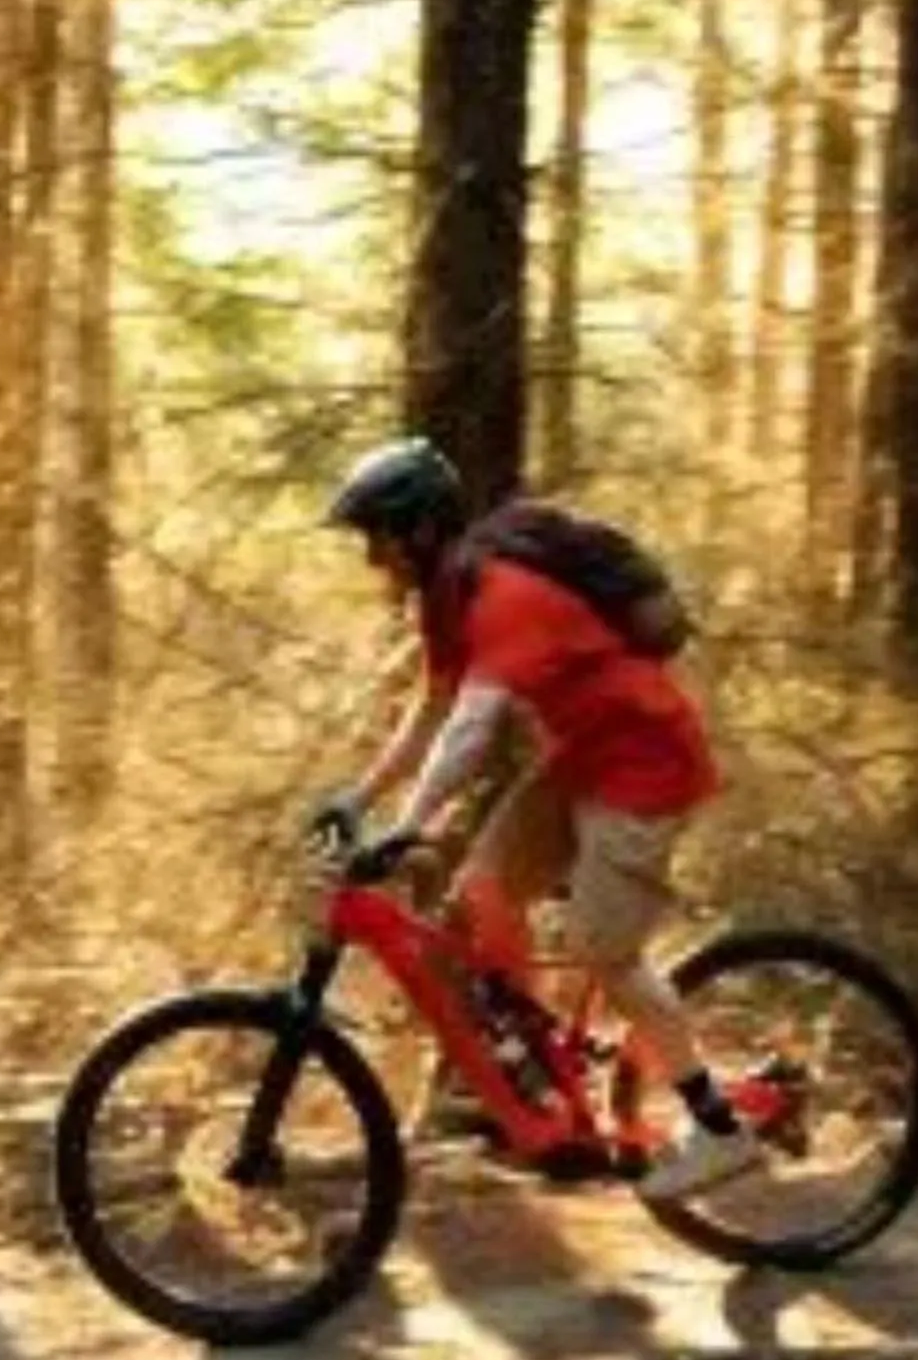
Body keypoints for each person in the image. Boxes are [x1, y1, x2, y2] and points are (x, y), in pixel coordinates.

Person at [317, 438, 760, 1203]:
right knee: (480, 896)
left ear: (419, 531)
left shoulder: (505, 596)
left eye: (377, 538)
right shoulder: (447, 603)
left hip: (645, 765)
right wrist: (358, 799)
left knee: (605, 951)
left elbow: (472, 727)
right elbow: (431, 711)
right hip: (581, 758)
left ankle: (721, 1130)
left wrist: (409, 822)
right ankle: (532, 1086)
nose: (371, 559)